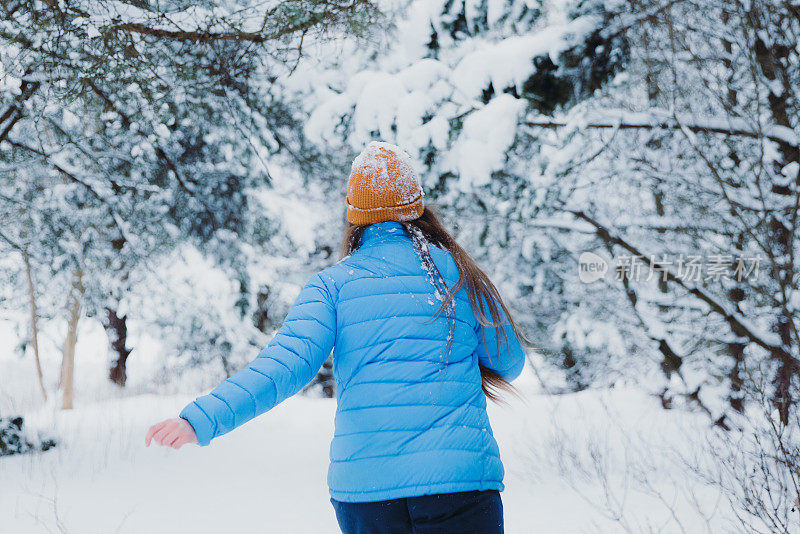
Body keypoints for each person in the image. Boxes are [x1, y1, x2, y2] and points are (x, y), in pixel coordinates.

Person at [145, 141, 526, 533]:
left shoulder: (333, 285)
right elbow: (509, 361)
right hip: (460, 483)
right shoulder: (460, 274)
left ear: (354, 215)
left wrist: (202, 419)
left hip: (368, 489)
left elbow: (284, 364)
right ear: (417, 205)